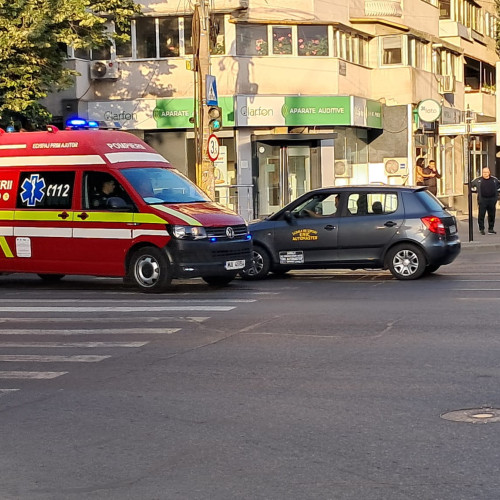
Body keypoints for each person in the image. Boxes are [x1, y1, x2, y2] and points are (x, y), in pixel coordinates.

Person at [471, 167, 500, 235]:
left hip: (492, 200)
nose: (485, 174)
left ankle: (491, 229)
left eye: (486, 172)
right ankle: (481, 229)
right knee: (481, 215)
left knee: (492, 215)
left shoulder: (494, 180)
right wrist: (474, 191)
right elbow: (471, 185)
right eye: (484, 172)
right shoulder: (478, 180)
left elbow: (499, 186)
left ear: (489, 172)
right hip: (482, 200)